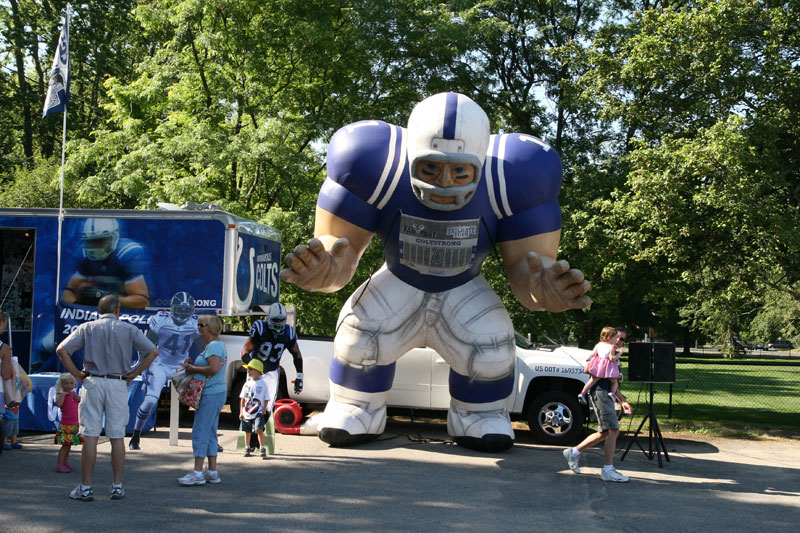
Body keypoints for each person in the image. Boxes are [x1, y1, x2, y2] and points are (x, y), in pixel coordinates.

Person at [280, 92, 591, 452]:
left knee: (491, 346)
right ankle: (356, 406)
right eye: (430, 168)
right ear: (411, 154)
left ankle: (479, 414)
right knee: (359, 333)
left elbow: (527, 270)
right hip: (399, 280)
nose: (444, 182)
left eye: (459, 171)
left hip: (464, 287)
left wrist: (541, 290)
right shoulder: (372, 161)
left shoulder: (516, 175)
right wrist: (325, 271)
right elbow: (340, 255)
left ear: (481, 160)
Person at [56, 294, 159, 502]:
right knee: (117, 436)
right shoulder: (129, 329)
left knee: (91, 435)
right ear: (118, 310)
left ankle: (86, 487)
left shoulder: (88, 327)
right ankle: (117, 486)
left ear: (98, 310)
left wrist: (76, 374)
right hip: (118, 382)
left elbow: (62, 349)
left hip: (93, 382)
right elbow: (153, 351)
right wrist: (135, 372)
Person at [129, 292, 198, 450]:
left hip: (181, 366)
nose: (183, 313)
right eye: (180, 309)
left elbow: (202, 343)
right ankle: (136, 436)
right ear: (173, 308)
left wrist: (196, 364)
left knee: (199, 401)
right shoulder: (161, 320)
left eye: (186, 309)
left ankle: (210, 438)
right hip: (160, 363)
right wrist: (141, 365)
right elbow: (148, 344)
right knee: (151, 400)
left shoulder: (195, 323)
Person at [177, 315, 227, 486]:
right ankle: (212, 471)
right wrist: (194, 365)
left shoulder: (213, 346)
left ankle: (197, 472)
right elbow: (211, 367)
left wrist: (192, 368)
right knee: (210, 431)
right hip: (215, 392)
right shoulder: (215, 345)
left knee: (200, 431)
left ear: (211, 327)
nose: (198, 328)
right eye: (198, 325)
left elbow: (212, 368)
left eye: (201, 325)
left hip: (210, 393)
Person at [61, 218, 150, 309]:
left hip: (123, 312)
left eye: (101, 241)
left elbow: (143, 302)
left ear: (114, 237)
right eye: (91, 242)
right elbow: (68, 293)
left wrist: (105, 297)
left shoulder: (125, 254)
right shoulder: (84, 254)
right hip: (98, 313)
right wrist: (80, 305)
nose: (95, 247)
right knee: (83, 287)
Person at [240, 302, 304, 421]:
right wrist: (254, 368)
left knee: (267, 405)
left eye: (281, 320)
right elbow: (244, 352)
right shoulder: (260, 328)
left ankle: (260, 430)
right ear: (269, 319)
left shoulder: (288, 332)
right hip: (256, 371)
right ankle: (249, 429)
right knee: (251, 402)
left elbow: (297, 355)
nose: (279, 324)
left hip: (272, 371)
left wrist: (300, 375)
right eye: (276, 320)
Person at [563, 377, 633, 482]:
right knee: (612, 430)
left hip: (607, 393)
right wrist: (605, 372)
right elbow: (589, 369)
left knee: (604, 433)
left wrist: (622, 401)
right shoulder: (599, 359)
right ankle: (608, 471)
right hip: (601, 392)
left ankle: (574, 452)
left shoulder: (613, 361)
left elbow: (613, 380)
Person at [578, 327, 620, 404]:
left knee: (592, 380)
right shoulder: (612, 347)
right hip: (607, 368)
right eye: (615, 338)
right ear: (609, 337)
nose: (617, 340)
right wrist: (620, 353)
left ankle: (582, 393)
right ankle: (612, 393)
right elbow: (612, 358)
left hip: (599, 367)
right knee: (614, 381)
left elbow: (593, 354)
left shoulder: (599, 344)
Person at [238, 359, 270, 458]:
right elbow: (242, 398)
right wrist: (241, 411)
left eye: (251, 369)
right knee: (247, 430)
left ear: (258, 371)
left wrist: (264, 409)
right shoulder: (247, 384)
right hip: (247, 412)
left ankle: (262, 448)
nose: (248, 371)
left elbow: (266, 398)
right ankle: (247, 447)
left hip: (258, 411)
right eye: (248, 369)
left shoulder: (263, 384)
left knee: (259, 429)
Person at [54, 373, 81, 473]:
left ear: (74, 384)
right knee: (65, 446)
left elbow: (79, 403)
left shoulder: (74, 394)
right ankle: (60, 465)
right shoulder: (61, 394)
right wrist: (63, 395)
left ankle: (65, 462)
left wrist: (80, 399)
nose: (69, 385)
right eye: (66, 383)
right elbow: (59, 404)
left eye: (71, 383)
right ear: (61, 385)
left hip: (74, 424)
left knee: (69, 445)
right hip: (66, 425)